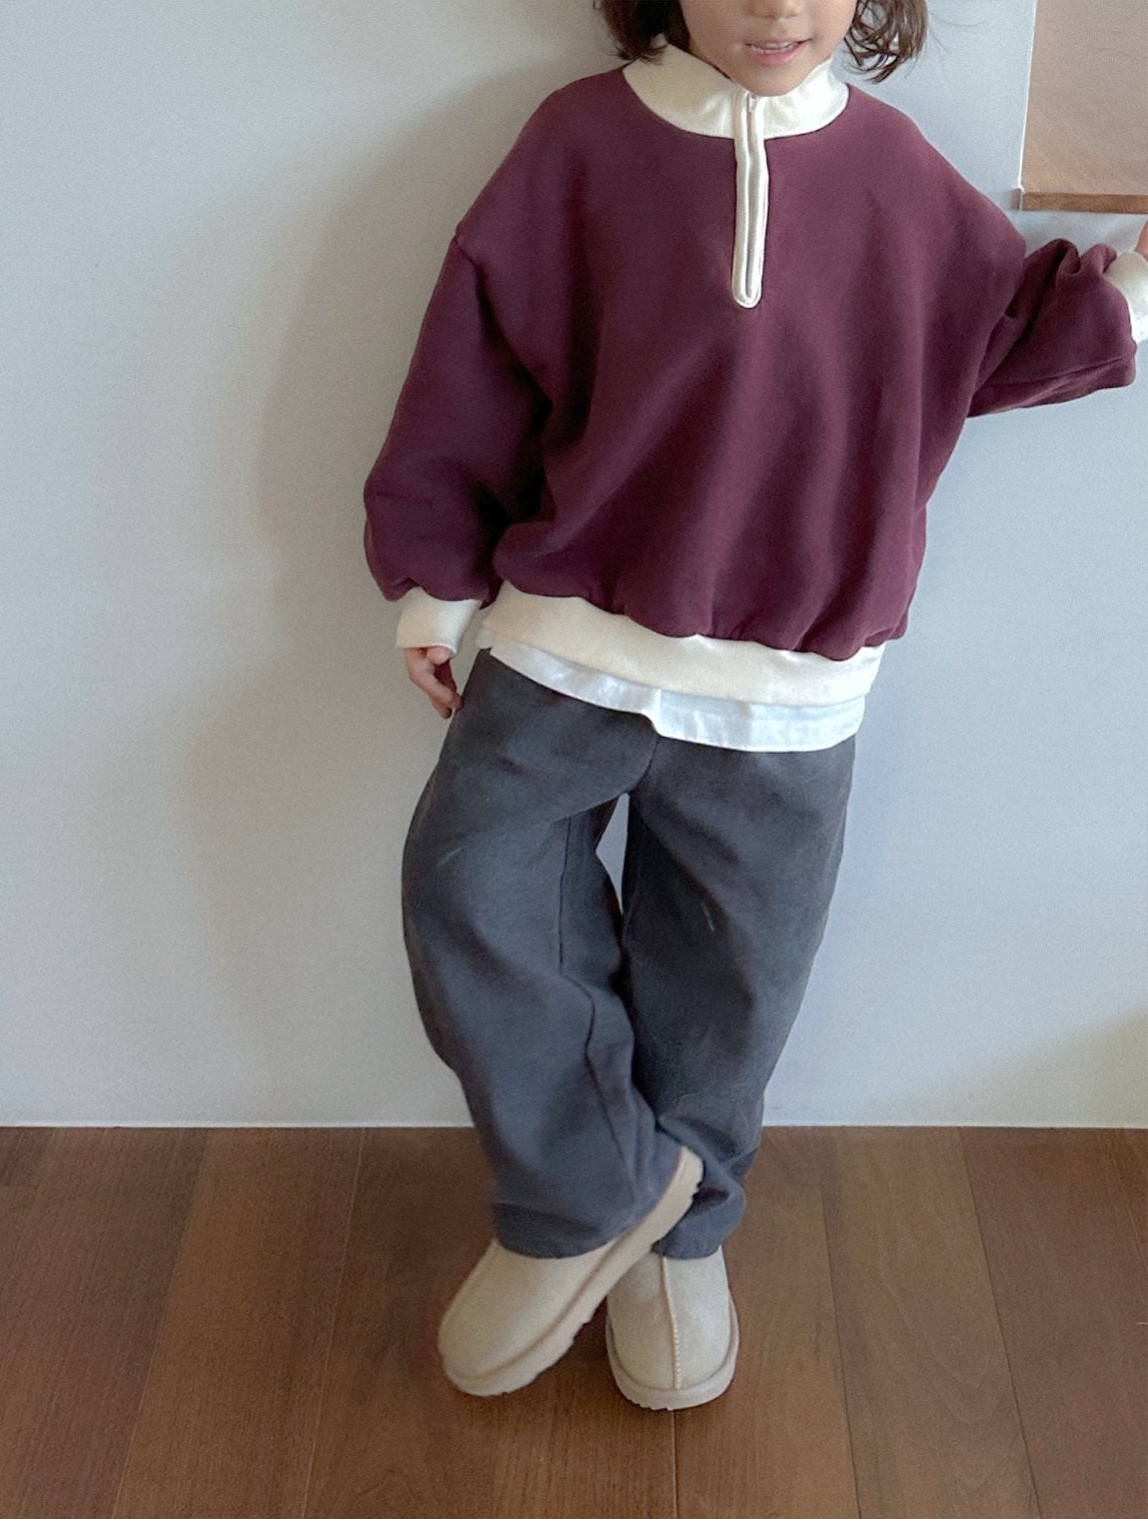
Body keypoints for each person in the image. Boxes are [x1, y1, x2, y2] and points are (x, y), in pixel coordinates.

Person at [361, 0, 1148, 1409]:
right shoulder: (578, 147)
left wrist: (1129, 291)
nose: (779, 7)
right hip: (571, 633)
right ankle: (593, 1193)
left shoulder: (899, 174)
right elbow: (473, 365)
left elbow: (999, 338)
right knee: (471, 886)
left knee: (729, 980)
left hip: (793, 684)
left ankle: (683, 1239)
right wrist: (434, 576)